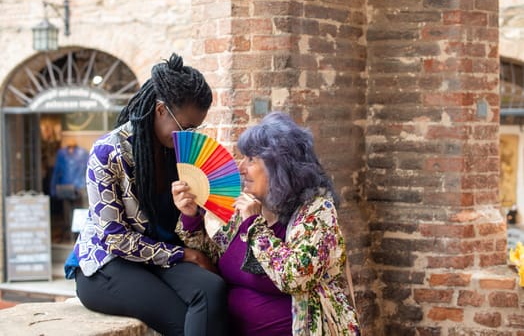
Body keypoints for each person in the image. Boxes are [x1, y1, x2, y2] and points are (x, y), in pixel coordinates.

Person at [64, 52, 228, 336]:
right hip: (107, 263)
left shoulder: (180, 152)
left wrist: (190, 215)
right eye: (186, 126)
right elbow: (114, 238)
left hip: (157, 255)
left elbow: (185, 225)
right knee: (183, 317)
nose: (189, 134)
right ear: (161, 110)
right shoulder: (108, 151)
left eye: (195, 128)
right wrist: (185, 255)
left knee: (213, 288)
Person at [173, 111, 360, 336]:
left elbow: (294, 276)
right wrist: (191, 217)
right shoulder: (250, 207)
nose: (241, 168)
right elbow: (217, 258)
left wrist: (254, 225)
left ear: (279, 166)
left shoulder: (317, 212)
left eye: (251, 159)